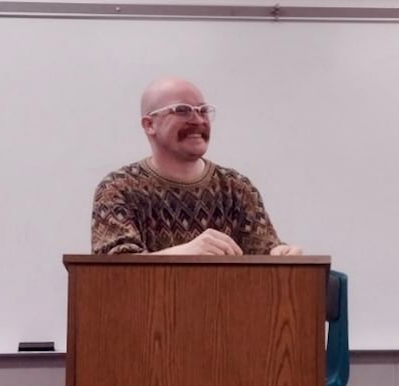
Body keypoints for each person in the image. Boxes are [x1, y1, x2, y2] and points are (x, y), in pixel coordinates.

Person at [92, 77, 303, 256]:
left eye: (203, 111)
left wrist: (281, 254)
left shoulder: (236, 188)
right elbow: (111, 270)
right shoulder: (118, 188)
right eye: (182, 110)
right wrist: (187, 253)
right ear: (149, 125)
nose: (198, 120)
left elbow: (263, 253)